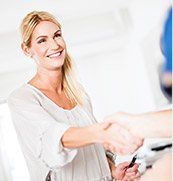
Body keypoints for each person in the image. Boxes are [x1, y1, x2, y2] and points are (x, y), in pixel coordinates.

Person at [7, 11, 142, 181]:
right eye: (42, 40)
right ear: (27, 50)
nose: (55, 45)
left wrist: (113, 170)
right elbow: (53, 139)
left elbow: (92, 149)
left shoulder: (78, 93)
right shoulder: (22, 99)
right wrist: (103, 132)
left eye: (57, 35)